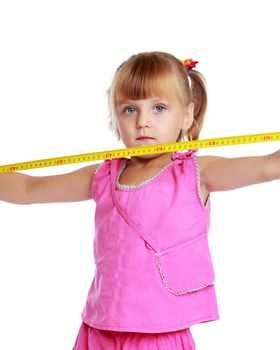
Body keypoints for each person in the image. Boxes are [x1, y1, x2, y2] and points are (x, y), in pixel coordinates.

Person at [0, 51, 279, 350]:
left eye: (159, 108)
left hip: (160, 335)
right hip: (99, 330)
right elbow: (29, 189)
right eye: (129, 110)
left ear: (187, 115)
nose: (143, 122)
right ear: (114, 117)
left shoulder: (196, 172)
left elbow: (267, 166)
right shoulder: (103, 175)